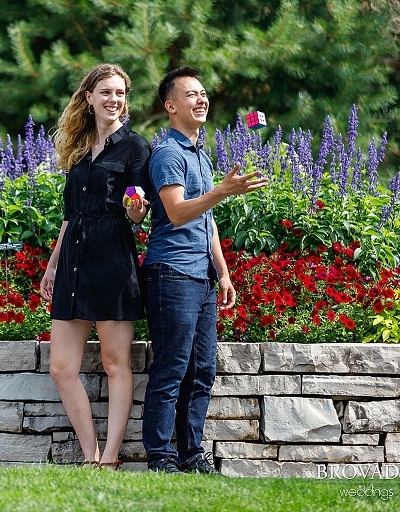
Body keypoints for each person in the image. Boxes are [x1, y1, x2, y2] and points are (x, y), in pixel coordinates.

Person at [142, 66, 268, 474]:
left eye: (203, 93)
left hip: (202, 276)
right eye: (191, 94)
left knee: (201, 371)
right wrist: (219, 192)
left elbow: (206, 220)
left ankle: (192, 455)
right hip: (171, 272)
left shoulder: (201, 156)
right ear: (171, 106)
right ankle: (160, 458)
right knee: (172, 367)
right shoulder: (168, 154)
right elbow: (177, 213)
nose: (201, 99)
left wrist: (224, 271)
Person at [40, 63, 150, 470]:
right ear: (88, 98)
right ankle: (89, 455)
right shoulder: (79, 150)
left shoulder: (136, 147)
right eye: (105, 92)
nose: (114, 99)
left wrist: (136, 209)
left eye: (120, 92)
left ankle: (110, 457)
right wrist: (53, 265)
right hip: (72, 262)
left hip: (113, 260)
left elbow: (138, 212)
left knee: (114, 363)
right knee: (61, 367)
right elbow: (69, 217)